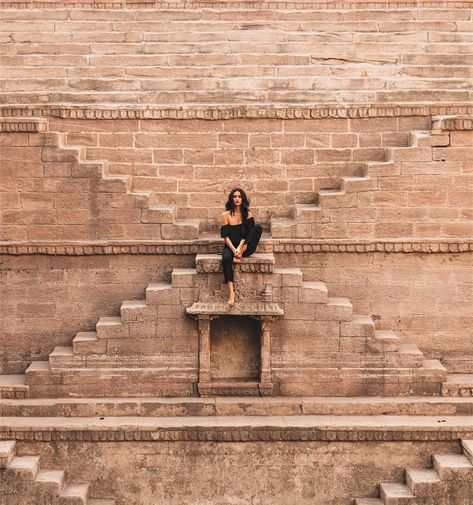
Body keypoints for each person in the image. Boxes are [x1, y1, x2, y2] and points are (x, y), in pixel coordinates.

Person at [220, 188, 262, 306]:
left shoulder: (247, 214)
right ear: (231, 199)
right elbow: (225, 236)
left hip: (245, 246)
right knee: (226, 258)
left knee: (257, 228)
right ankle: (231, 292)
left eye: (239, 196)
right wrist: (234, 250)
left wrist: (240, 247)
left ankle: (240, 253)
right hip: (231, 246)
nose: (237, 199)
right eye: (234, 196)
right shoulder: (225, 215)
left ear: (242, 198)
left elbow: (248, 234)